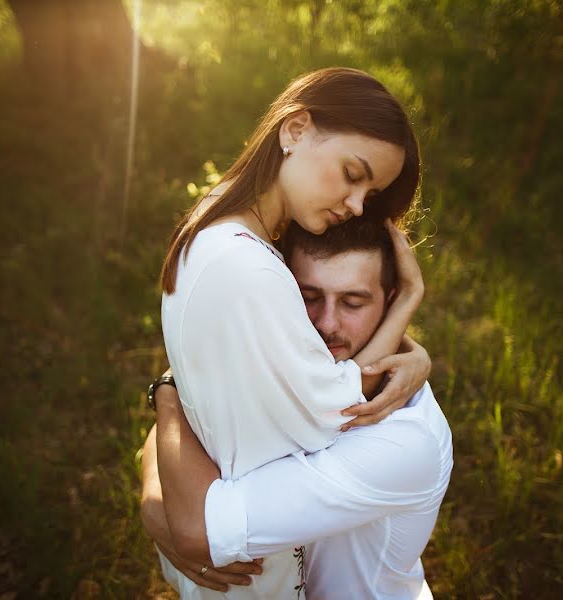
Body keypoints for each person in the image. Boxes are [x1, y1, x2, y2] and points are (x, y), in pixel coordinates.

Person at [155, 67, 430, 598]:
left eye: (370, 193)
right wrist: (410, 303)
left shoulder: (218, 228)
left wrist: (413, 352)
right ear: (295, 129)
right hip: (248, 576)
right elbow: (336, 412)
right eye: (353, 174)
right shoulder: (249, 269)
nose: (356, 204)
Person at [143, 220, 453, 599]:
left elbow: (202, 529)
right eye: (309, 297)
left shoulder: (403, 442)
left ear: (390, 301)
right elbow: (185, 427)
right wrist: (154, 504)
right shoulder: (294, 370)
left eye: (353, 302)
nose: (327, 324)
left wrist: (169, 391)